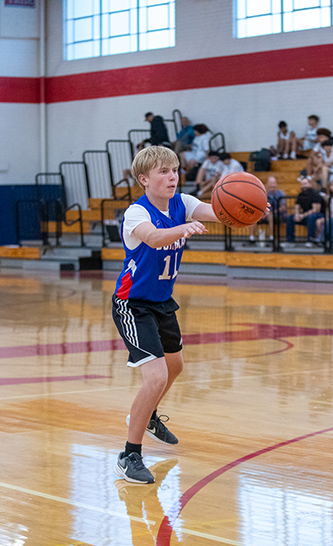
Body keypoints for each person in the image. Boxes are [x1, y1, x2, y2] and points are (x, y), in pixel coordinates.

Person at [112, 145, 221, 484]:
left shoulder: (183, 203)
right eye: (163, 171)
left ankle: (148, 414)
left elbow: (217, 211)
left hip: (161, 302)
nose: (172, 176)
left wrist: (246, 208)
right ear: (144, 179)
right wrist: (183, 229)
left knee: (175, 367)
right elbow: (155, 238)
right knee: (156, 377)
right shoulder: (136, 213)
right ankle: (129, 454)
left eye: (174, 169)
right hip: (132, 305)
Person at [285, 176, 324, 247]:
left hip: (318, 215)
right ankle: (290, 241)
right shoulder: (300, 195)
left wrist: (303, 215)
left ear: (310, 184)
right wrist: (297, 215)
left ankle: (311, 240)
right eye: (302, 184)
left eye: (305, 184)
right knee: (290, 218)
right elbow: (297, 206)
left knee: (311, 217)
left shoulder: (315, 194)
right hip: (306, 216)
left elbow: (316, 209)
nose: (304, 186)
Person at [248, 176, 286, 244]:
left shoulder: (280, 193)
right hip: (264, 213)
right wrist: (263, 213)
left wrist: (274, 211)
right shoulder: (263, 193)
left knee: (270, 215)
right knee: (255, 216)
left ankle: (271, 236)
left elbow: (283, 206)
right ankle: (252, 237)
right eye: (271, 183)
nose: (272, 185)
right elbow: (259, 204)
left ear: (276, 184)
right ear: (267, 184)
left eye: (273, 183)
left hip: (277, 214)